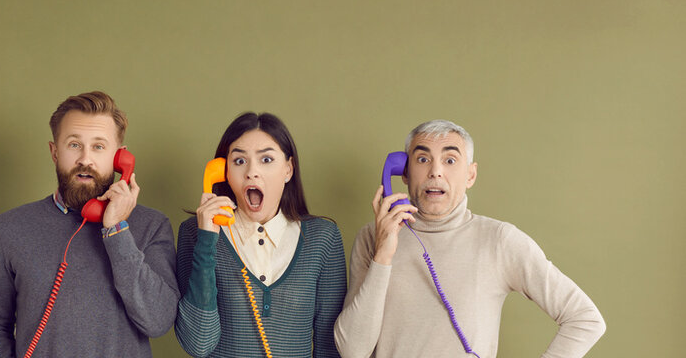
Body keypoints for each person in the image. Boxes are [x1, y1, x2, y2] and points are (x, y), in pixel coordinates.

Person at [334, 120, 606, 357]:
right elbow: (352, 351)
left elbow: (585, 319)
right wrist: (383, 256)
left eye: (450, 160)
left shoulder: (499, 240)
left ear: (470, 175)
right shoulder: (372, 237)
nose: (435, 172)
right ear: (403, 172)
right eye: (423, 159)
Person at [0, 91, 179, 357]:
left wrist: (116, 231)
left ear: (119, 158)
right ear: (54, 152)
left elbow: (158, 321)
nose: (85, 159)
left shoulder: (152, 225)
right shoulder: (10, 228)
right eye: (74, 145)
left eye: (99, 147)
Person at [175, 112, 346, 357]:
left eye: (266, 159)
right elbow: (198, 344)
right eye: (239, 161)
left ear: (288, 169)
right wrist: (207, 241)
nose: (251, 172)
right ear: (223, 172)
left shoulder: (323, 238)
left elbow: (328, 348)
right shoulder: (195, 233)